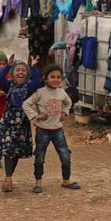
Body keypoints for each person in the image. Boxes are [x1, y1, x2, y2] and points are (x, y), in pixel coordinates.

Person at [23, 63, 79, 192]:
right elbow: (26, 104)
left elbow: (68, 102)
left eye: (58, 77)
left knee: (65, 155)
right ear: (45, 78)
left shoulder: (61, 92)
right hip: (42, 130)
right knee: (40, 157)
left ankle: (66, 180)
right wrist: (36, 116)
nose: (56, 80)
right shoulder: (40, 93)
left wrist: (65, 112)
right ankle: (38, 183)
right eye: (52, 77)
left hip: (58, 130)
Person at [0, 57, 42, 193]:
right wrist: (8, 66)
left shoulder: (30, 86)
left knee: (16, 152)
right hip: (8, 122)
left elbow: (38, 82)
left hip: (22, 124)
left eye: (24, 70)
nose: (21, 72)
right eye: (17, 70)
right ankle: (8, 178)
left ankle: (9, 177)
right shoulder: (9, 85)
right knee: (9, 150)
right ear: (13, 73)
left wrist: (34, 67)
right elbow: (0, 77)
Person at [25, 0, 52, 70]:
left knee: (46, 50)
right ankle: (33, 72)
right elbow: (32, 11)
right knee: (34, 51)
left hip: (46, 26)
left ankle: (45, 73)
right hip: (35, 25)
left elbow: (52, 10)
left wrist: (48, 24)